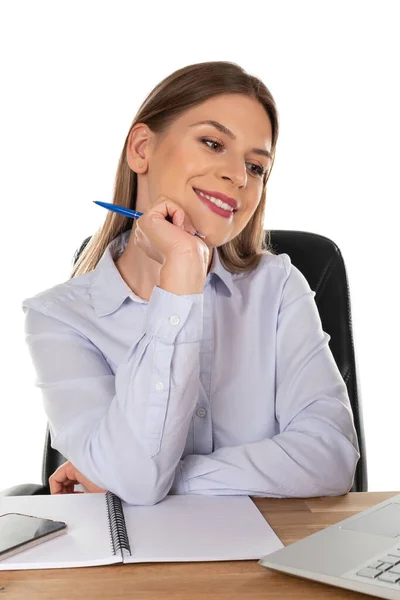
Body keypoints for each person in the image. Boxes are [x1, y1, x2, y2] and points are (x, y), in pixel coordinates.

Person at [22, 61, 360, 505]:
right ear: (142, 148)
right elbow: (137, 481)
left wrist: (172, 478)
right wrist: (180, 278)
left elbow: (332, 457)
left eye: (256, 167)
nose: (239, 177)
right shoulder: (58, 318)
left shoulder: (278, 288)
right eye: (212, 142)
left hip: (271, 559)